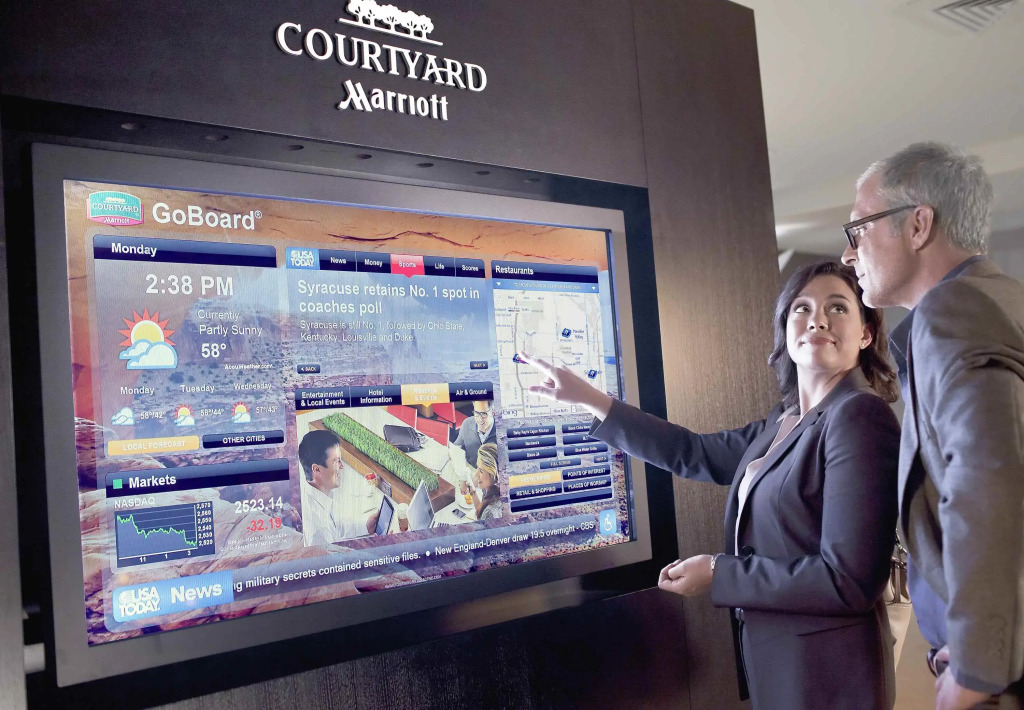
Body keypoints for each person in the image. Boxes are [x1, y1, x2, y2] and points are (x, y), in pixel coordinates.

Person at [521, 260, 901, 710]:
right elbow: (693, 452)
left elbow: (849, 580)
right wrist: (590, 399)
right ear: (785, 328)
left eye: (837, 307)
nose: (817, 319)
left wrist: (721, 573)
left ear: (865, 334)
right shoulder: (785, 422)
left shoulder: (858, 416)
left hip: (829, 673)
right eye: (802, 308)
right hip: (783, 662)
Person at [841, 141, 1024, 710]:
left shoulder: (953, 310)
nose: (849, 254)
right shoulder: (1000, 298)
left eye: (859, 230)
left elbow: (989, 482)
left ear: (919, 225)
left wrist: (977, 663)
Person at [298, 429, 379, 545]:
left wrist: (365, 527)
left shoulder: (318, 495)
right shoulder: (319, 532)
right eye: (336, 461)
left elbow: (337, 529)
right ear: (317, 469)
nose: (342, 467)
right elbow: (337, 554)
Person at [453, 399, 496, 469]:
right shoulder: (467, 424)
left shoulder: (503, 434)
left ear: (493, 413)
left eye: (484, 414)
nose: (480, 419)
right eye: (477, 413)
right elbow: (456, 448)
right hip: (470, 471)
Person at [472, 442, 502, 520]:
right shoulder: (491, 489)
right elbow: (481, 512)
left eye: (481, 470)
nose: (476, 475)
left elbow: (484, 515)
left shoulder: (491, 513)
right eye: (477, 467)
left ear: (493, 475)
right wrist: (473, 492)